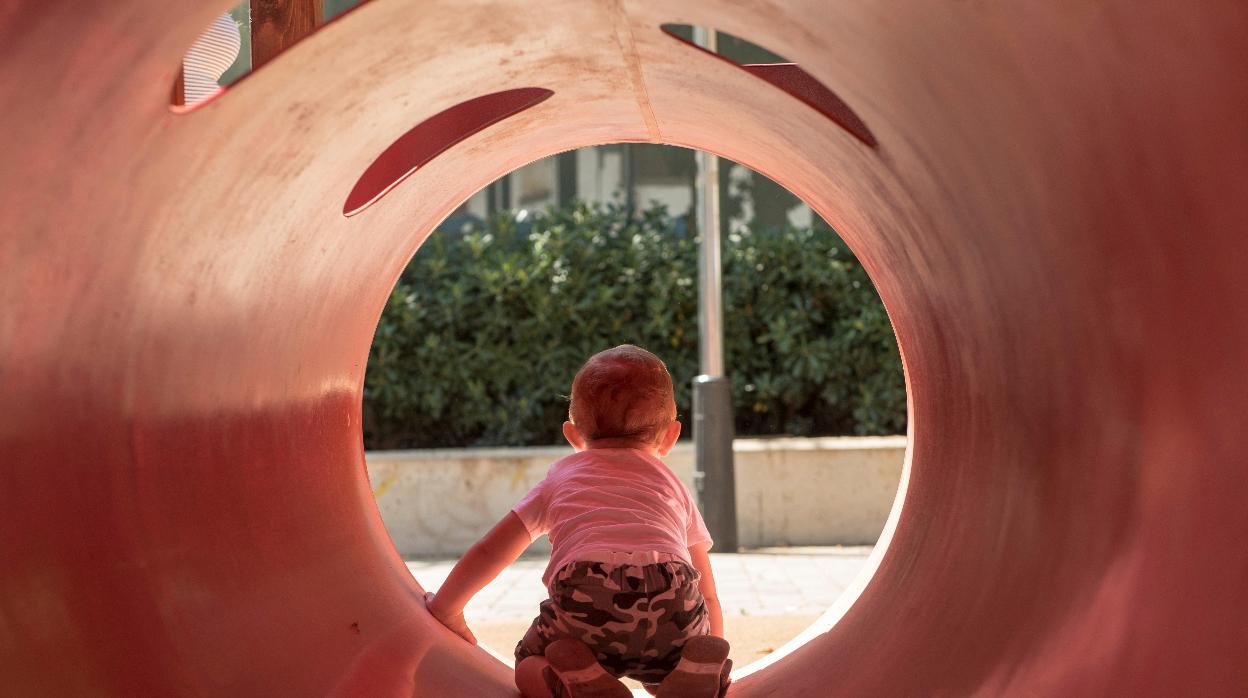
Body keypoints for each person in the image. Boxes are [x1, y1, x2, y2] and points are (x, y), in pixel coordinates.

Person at [426, 345, 731, 697]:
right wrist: (711, 646)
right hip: (672, 591)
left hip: (587, 593)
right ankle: (699, 672)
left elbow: (490, 551)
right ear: (671, 436)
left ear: (572, 435)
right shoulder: (672, 486)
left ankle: (571, 685)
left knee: (528, 662)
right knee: (673, 664)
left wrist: (447, 607)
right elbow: (707, 589)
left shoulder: (562, 478)